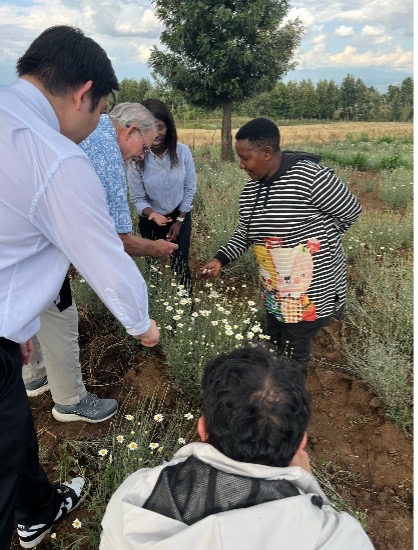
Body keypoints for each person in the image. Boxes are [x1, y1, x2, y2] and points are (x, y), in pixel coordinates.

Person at [0, 25, 159, 549]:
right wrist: (143, 325)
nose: (93, 128)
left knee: (15, 432)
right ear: (83, 92)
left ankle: (39, 510)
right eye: (99, 112)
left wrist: (14, 321)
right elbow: (105, 257)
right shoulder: (56, 156)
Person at [100, 345, 374, 549]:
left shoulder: (136, 496)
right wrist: (308, 483)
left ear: (202, 428)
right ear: (300, 444)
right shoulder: (335, 536)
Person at [22, 102, 178, 423]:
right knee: (60, 317)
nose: (141, 156)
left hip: (19, 237)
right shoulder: (106, 153)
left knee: (30, 305)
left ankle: (35, 376)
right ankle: (70, 401)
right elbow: (114, 243)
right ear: (130, 130)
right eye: (143, 147)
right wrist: (139, 322)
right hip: (37, 246)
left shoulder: (85, 130)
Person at [201, 118, 361, 365]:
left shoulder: (311, 178)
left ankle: (291, 400)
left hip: (309, 290)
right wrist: (220, 259)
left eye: (245, 158)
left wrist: (315, 245)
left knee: (295, 353)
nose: (241, 165)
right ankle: (275, 391)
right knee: (275, 340)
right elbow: (245, 233)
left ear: (266, 152)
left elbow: (350, 211)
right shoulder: (251, 191)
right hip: (274, 290)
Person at [127, 98, 197, 290]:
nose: (155, 134)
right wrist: (152, 214)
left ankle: (186, 312)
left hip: (179, 218)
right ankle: (154, 309)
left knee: (181, 266)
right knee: (153, 269)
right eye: (149, 127)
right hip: (150, 219)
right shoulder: (136, 158)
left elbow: (190, 189)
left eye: (160, 127)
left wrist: (179, 220)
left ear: (169, 128)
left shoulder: (182, 152)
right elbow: (138, 199)